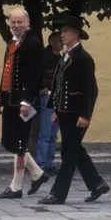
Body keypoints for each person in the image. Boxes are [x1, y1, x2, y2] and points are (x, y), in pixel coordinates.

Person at [38, 15, 109, 204]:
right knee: (74, 150)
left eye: (65, 31)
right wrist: (56, 109)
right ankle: (97, 184)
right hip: (65, 112)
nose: (62, 35)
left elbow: (91, 90)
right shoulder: (66, 57)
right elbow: (59, 84)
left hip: (77, 114)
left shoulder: (83, 59)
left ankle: (58, 194)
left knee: (69, 153)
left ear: (75, 34)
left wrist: (86, 115)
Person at [0, 8, 48, 200]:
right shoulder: (12, 43)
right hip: (10, 100)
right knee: (9, 141)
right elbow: (6, 72)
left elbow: (35, 76)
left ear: (27, 22)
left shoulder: (33, 44)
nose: (16, 26)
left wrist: (27, 101)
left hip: (25, 102)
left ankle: (16, 186)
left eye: (20, 22)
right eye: (13, 22)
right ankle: (38, 174)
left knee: (19, 143)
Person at [34, 31, 63, 176]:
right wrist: (41, 88)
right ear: (52, 42)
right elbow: (37, 74)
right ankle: (40, 165)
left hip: (57, 96)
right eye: (59, 41)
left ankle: (49, 163)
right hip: (47, 96)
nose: (62, 43)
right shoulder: (45, 57)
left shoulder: (60, 57)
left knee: (52, 134)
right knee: (45, 133)